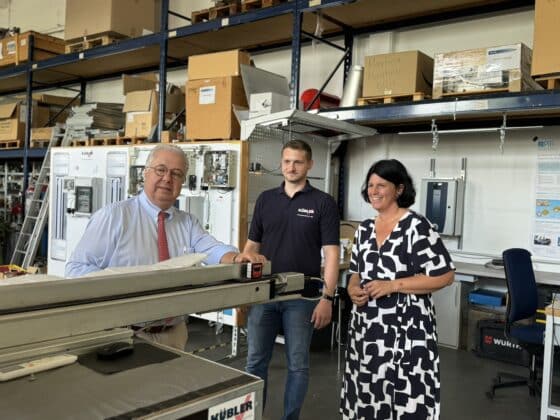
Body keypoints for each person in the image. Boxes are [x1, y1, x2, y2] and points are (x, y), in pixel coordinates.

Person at [66, 144, 261, 351]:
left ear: (182, 182)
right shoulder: (114, 217)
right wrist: (121, 285)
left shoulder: (187, 223)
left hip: (174, 335)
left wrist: (237, 258)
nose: (167, 179)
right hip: (122, 335)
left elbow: (211, 249)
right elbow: (76, 269)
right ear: (145, 173)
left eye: (176, 174)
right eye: (161, 170)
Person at [340, 159, 455, 420]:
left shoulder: (417, 226)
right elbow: (356, 271)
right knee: (367, 391)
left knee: (406, 395)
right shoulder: (365, 229)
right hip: (367, 329)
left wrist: (394, 285)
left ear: (399, 189)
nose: (374, 190)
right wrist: (353, 287)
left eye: (382, 185)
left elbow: (445, 275)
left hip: (407, 330)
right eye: (370, 185)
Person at [242, 139, 340, 420]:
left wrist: (327, 298)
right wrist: (243, 291)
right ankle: (253, 416)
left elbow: (331, 255)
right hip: (264, 294)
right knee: (255, 362)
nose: (291, 167)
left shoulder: (323, 203)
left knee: (297, 365)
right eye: (286, 161)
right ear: (281, 164)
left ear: (309, 164)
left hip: (302, 297)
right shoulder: (266, 200)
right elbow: (251, 248)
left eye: (298, 161)